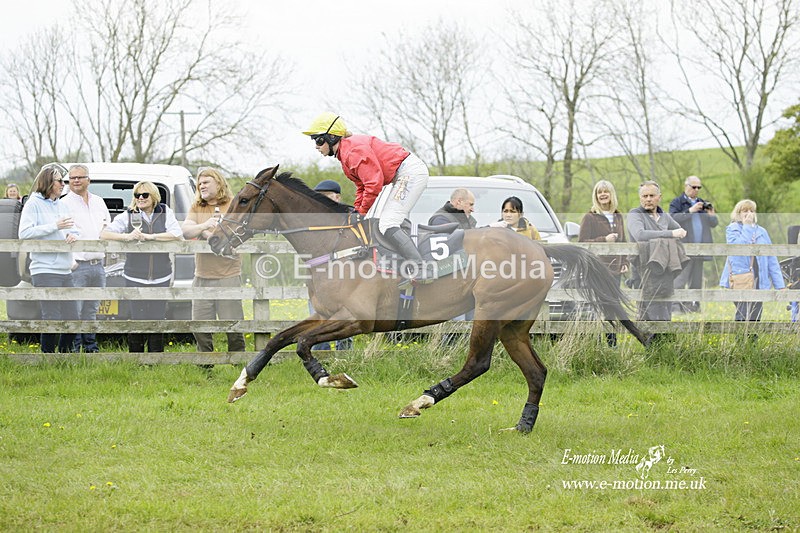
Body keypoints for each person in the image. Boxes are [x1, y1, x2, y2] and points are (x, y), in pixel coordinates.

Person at [302, 112, 431, 277]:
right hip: (401, 174)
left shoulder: (352, 151)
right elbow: (362, 186)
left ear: (332, 137)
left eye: (318, 140)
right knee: (382, 221)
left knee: (387, 223)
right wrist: (357, 211)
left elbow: (373, 184)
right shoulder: (345, 154)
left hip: (409, 173)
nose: (316, 146)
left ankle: (420, 267)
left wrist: (362, 212)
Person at [101, 181, 183, 353]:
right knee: (137, 317)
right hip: (134, 275)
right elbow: (105, 234)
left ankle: (156, 357)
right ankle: (136, 358)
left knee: (157, 317)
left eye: (144, 195)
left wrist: (151, 237)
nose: (140, 198)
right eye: (137, 195)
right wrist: (127, 237)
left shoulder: (165, 211)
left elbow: (176, 234)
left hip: (161, 275)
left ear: (153, 197)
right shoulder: (129, 214)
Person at [181, 168, 246, 355]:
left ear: (219, 183)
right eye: (200, 183)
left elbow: (238, 233)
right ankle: (205, 363)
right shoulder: (197, 207)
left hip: (228, 274)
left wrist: (209, 234)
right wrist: (204, 227)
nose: (202, 186)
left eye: (206, 182)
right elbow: (186, 231)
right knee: (200, 325)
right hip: (201, 275)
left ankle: (238, 361)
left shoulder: (233, 205)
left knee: (232, 325)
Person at [17, 163, 79, 353]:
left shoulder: (62, 204)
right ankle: (47, 357)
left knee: (72, 316)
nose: (64, 184)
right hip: (44, 269)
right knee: (51, 315)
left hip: (65, 268)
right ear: (48, 182)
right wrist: (55, 226)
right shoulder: (33, 204)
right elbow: (24, 233)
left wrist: (73, 234)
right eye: (60, 181)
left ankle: (63, 355)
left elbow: (71, 228)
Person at [61, 164, 110, 353]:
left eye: (80, 177)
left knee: (92, 309)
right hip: (77, 265)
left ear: (88, 179)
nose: (75, 181)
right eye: (72, 178)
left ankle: (91, 349)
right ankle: (75, 350)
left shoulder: (99, 202)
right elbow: (62, 233)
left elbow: (107, 226)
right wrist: (71, 262)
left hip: (98, 265)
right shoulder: (63, 203)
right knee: (76, 310)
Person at [628, 181, 687, 323]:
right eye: (644, 196)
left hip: (664, 270)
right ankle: (651, 344)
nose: (648, 199)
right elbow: (640, 235)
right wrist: (670, 234)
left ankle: (665, 343)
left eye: (652, 195)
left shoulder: (664, 216)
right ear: (640, 198)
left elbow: (680, 231)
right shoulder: (635, 215)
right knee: (648, 315)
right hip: (644, 270)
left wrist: (673, 234)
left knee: (665, 311)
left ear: (659, 197)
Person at [579, 180, 628, 346]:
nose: (603, 195)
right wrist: (604, 240)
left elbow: (623, 241)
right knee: (599, 306)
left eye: (606, 191)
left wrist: (625, 260)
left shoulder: (618, 216)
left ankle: (612, 344)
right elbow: (583, 243)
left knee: (613, 306)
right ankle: (597, 344)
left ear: (611, 194)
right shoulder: (590, 217)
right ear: (596, 196)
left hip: (616, 269)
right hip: (597, 269)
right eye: (600, 192)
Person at [719, 199, 785, 323]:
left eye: (752, 210)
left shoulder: (762, 231)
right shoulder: (733, 229)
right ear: (738, 213)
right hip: (741, 279)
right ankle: (742, 342)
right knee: (743, 315)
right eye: (745, 211)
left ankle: (752, 342)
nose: (749, 213)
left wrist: (779, 285)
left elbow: (772, 259)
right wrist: (747, 226)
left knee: (756, 315)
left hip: (760, 279)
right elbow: (738, 249)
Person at [308, 179, 353, 351]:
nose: (322, 201)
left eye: (326, 197)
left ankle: (345, 356)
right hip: (320, 274)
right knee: (319, 317)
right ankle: (320, 355)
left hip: (345, 275)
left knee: (346, 316)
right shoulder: (313, 220)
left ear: (338, 197)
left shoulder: (349, 215)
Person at [669, 175, 718, 313]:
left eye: (699, 187)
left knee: (696, 281)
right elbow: (672, 219)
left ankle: (693, 307)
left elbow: (714, 224)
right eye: (693, 187)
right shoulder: (677, 202)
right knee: (680, 279)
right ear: (686, 186)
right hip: (684, 248)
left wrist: (711, 215)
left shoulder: (703, 203)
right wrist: (690, 211)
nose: (696, 190)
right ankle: (675, 306)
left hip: (700, 249)